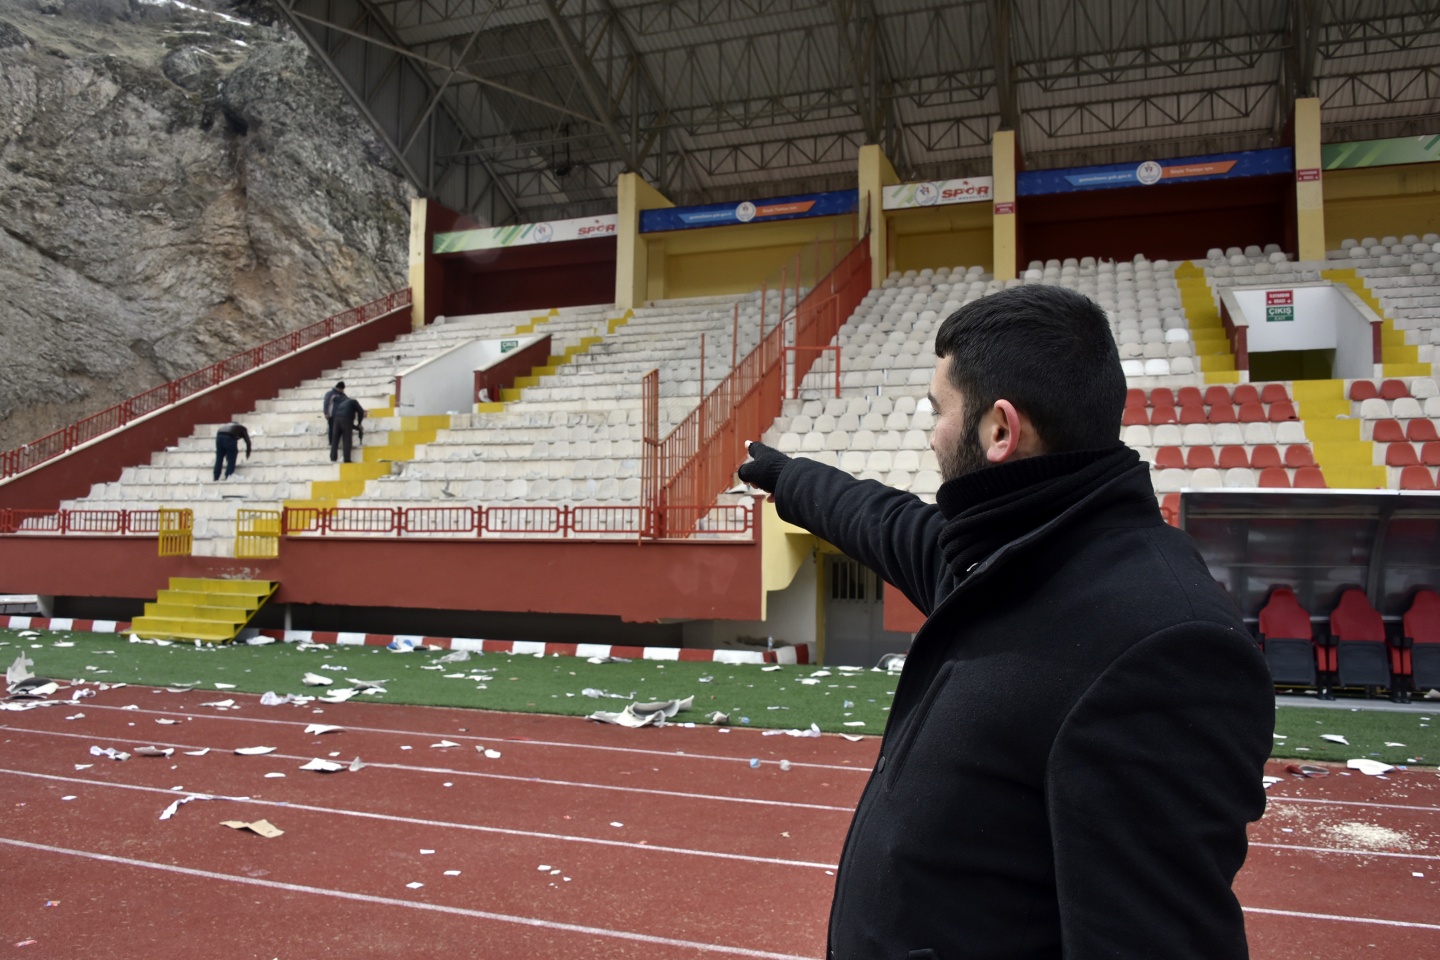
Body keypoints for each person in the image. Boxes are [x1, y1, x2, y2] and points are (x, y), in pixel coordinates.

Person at [739, 284, 1273, 960]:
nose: (932, 432)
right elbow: (886, 523)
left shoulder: (1166, 639)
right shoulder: (1007, 552)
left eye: (939, 410)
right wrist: (790, 479)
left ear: (1000, 430)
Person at [329, 395, 365, 463]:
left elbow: (348, 424)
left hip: (336, 419)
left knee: (335, 439)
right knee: (347, 439)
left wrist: (357, 427)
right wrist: (359, 423)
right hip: (346, 419)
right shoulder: (354, 402)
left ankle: (333, 458)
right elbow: (361, 411)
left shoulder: (342, 404)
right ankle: (347, 459)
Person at [323, 381, 346, 449]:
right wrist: (326, 413)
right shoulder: (330, 394)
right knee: (332, 429)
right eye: (341, 389)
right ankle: (331, 443)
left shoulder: (343, 395)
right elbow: (326, 403)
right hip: (332, 415)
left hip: (341, 415)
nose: (342, 390)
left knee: (339, 430)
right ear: (338, 388)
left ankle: (337, 443)